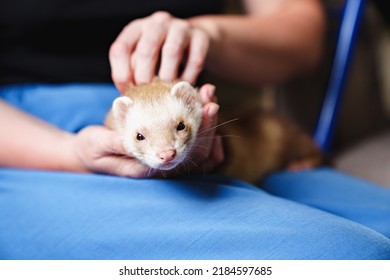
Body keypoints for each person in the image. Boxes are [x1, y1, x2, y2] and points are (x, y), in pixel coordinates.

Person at [0, 0, 389, 259]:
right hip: (24, 142)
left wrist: (209, 35)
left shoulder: (178, 118)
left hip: (202, 131)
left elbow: (300, 34)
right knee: (351, 256)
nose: (165, 152)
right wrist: (70, 153)